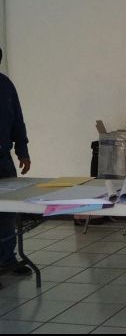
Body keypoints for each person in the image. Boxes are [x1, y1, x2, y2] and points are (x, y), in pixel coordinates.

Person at [0, 47, 32, 275]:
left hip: (3, 158)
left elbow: (17, 119)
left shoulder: (5, 85)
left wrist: (23, 151)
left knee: (7, 210)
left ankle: (7, 259)